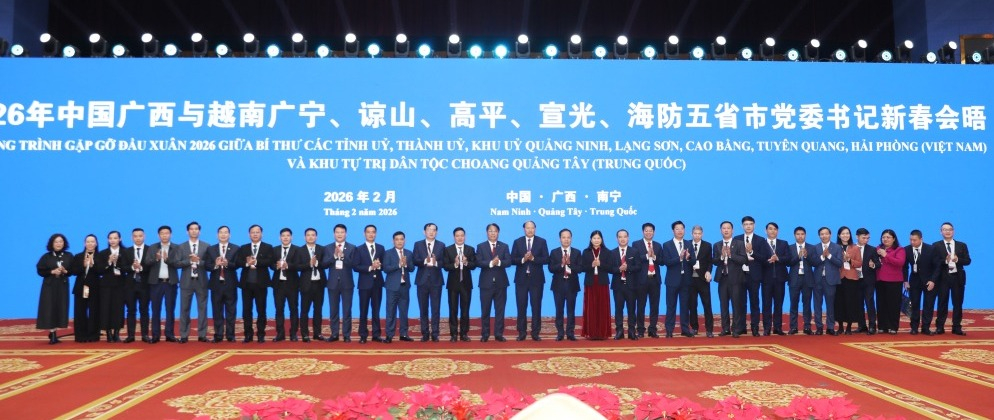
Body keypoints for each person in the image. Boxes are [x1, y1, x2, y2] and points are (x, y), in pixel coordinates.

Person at [234, 224, 274, 343]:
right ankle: (248, 334)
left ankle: (261, 334)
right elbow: (238, 262)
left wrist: (256, 262)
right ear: (249, 234)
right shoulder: (243, 248)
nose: (255, 234)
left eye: (257, 232)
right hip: (246, 284)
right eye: (253, 232)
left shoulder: (268, 247)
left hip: (261, 284)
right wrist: (247, 263)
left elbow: (269, 261)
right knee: (246, 310)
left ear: (262, 234)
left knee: (261, 310)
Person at [511, 220, 549, 341]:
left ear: (535, 229)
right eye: (528, 228)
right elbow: (512, 259)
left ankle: (535, 332)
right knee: (521, 306)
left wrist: (533, 258)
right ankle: (522, 332)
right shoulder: (517, 242)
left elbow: (546, 259)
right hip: (521, 280)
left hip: (536, 280)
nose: (530, 230)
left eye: (532, 228)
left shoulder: (542, 241)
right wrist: (523, 259)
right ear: (524, 229)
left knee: (536, 306)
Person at [932, 222, 970, 336]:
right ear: (941, 232)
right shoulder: (936, 245)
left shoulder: (962, 245)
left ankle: (957, 327)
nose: (947, 231)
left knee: (958, 303)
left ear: (953, 231)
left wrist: (957, 260)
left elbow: (968, 261)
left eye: (949, 229)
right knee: (942, 302)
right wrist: (945, 261)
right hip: (943, 278)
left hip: (957, 278)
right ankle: (940, 327)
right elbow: (934, 262)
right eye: (945, 229)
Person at [734, 216, 769, 337]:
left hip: (754, 275)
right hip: (740, 275)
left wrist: (752, 252)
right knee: (740, 302)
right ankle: (741, 327)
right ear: (742, 226)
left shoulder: (760, 240)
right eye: (746, 224)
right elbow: (734, 256)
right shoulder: (737, 239)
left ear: (754, 225)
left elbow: (764, 258)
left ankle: (755, 327)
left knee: (754, 302)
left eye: (750, 224)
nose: (748, 226)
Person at [477, 223, 511, 342]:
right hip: (485, 284)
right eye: (490, 231)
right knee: (485, 310)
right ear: (487, 233)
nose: (492, 233)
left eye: (495, 231)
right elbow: (478, 262)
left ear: (498, 233)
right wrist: (491, 263)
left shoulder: (504, 246)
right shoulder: (481, 246)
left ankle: (498, 334)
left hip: (501, 283)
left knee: (500, 310)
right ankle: (485, 334)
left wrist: (499, 262)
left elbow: (509, 261)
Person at [712, 221, 747, 338]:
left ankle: (736, 329)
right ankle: (725, 328)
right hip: (723, 278)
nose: (726, 230)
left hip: (736, 279)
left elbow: (743, 260)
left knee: (736, 304)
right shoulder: (717, 245)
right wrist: (722, 256)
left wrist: (731, 255)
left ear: (732, 230)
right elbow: (714, 261)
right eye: (724, 228)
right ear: (720, 230)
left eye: (728, 228)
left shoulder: (739, 243)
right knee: (723, 305)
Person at [177, 221, 210, 343]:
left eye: (196, 229)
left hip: (201, 281)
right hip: (186, 282)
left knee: (203, 308)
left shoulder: (206, 246)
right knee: (184, 309)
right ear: (187, 231)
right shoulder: (181, 247)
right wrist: (190, 261)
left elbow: (209, 264)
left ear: (199, 231)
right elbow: (177, 263)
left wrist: (198, 262)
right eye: (191, 229)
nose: (194, 231)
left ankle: (202, 334)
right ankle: (184, 335)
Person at [204, 226, 238, 342]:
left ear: (229, 235)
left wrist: (227, 263)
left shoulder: (235, 248)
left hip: (230, 284)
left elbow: (237, 264)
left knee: (231, 311)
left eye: (226, 232)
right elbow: (206, 266)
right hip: (216, 285)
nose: (223, 235)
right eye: (221, 233)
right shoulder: (211, 249)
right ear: (217, 235)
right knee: (217, 310)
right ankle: (218, 335)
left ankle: (230, 335)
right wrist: (216, 265)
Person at [323, 224, 356, 342]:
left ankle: (346, 335)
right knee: (333, 310)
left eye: (342, 232)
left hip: (347, 283)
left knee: (347, 310)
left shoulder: (352, 247)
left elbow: (354, 265)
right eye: (337, 232)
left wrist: (343, 256)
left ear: (346, 234)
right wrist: (334, 256)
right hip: (332, 283)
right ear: (334, 234)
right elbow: (324, 264)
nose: (340, 234)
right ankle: (334, 334)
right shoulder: (328, 248)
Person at [413, 223, 446, 342]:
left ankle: (435, 333)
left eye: (434, 230)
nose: (431, 232)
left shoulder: (441, 245)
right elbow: (414, 260)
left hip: (436, 281)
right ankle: (425, 333)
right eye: (429, 230)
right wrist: (424, 261)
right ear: (424, 232)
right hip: (422, 281)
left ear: (436, 232)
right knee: (423, 309)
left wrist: (436, 262)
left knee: (435, 308)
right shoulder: (418, 244)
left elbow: (444, 262)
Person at [37, 233, 72, 345]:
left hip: (62, 286)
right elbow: (40, 270)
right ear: (52, 243)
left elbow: (73, 270)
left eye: (61, 241)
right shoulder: (46, 257)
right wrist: (51, 271)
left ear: (64, 243)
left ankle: (55, 331)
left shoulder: (68, 256)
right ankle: (52, 333)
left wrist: (65, 271)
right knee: (49, 308)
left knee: (60, 307)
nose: (58, 244)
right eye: (56, 242)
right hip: (49, 286)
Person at [662, 221, 695, 338]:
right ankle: (669, 330)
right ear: (673, 231)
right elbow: (666, 262)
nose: (680, 231)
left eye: (682, 228)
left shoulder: (689, 244)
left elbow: (694, 261)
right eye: (677, 229)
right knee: (671, 306)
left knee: (685, 306)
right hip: (672, 280)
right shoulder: (667, 245)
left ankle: (685, 329)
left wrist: (688, 258)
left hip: (686, 280)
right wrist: (679, 258)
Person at [443, 227, 476, 342]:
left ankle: (464, 333)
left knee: (465, 309)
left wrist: (466, 262)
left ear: (465, 237)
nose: (460, 238)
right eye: (457, 236)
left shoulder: (470, 249)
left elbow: (474, 265)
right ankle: (453, 334)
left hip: (466, 284)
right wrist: (455, 264)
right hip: (453, 284)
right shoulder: (448, 250)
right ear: (454, 237)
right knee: (453, 309)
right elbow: (445, 266)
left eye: (462, 235)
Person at [354, 224, 386, 344]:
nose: (371, 234)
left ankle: (376, 335)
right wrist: (370, 267)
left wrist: (379, 266)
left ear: (376, 234)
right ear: (364, 234)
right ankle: (363, 335)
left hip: (377, 283)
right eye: (368, 232)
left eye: (373, 232)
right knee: (363, 310)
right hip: (364, 284)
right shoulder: (359, 249)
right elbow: (356, 266)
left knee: (376, 310)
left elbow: (384, 265)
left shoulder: (381, 248)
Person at [148, 226, 180, 343]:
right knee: (155, 309)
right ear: (158, 235)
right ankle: (155, 335)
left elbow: (178, 264)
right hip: (156, 283)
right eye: (162, 233)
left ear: (170, 234)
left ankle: (169, 334)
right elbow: (147, 262)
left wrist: (167, 260)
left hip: (170, 283)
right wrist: (156, 259)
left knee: (170, 309)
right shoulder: (153, 247)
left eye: (167, 233)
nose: (164, 235)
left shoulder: (176, 247)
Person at [549, 228, 582, 341]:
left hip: (572, 285)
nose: (566, 239)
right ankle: (560, 333)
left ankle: (570, 333)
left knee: (571, 310)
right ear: (560, 239)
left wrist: (570, 264)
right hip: (558, 286)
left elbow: (580, 268)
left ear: (571, 239)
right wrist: (562, 264)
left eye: (568, 237)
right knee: (559, 310)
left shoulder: (577, 252)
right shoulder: (554, 252)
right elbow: (551, 268)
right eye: (564, 237)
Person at [632, 223, 664, 338]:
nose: (648, 232)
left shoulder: (658, 245)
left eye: (651, 230)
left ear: (654, 232)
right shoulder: (636, 244)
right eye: (646, 230)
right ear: (643, 232)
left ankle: (652, 329)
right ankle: (640, 329)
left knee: (654, 306)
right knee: (641, 305)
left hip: (655, 279)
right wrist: (647, 256)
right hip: (641, 279)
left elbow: (662, 261)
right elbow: (635, 260)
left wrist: (654, 256)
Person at [581, 230, 614, 340]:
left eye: (598, 238)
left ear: (601, 239)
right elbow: (582, 268)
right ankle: (591, 332)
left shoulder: (607, 252)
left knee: (602, 308)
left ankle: (602, 333)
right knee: (591, 308)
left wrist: (600, 264)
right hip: (590, 283)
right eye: (594, 238)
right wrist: (591, 265)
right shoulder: (586, 252)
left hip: (602, 283)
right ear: (591, 240)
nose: (596, 240)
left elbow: (611, 268)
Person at [383, 231, 415, 343]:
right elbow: (386, 269)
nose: (399, 241)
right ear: (393, 241)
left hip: (404, 286)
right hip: (392, 287)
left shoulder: (409, 253)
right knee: (390, 311)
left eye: (401, 239)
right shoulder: (388, 253)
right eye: (397, 239)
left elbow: (412, 268)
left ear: (404, 241)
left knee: (404, 311)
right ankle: (389, 335)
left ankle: (404, 334)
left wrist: (406, 264)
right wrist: (398, 265)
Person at [271, 228, 302, 342]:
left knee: (293, 309)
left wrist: (287, 266)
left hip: (292, 284)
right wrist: (277, 266)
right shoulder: (274, 250)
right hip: (278, 284)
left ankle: (293, 333)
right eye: (283, 235)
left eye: (288, 235)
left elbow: (299, 265)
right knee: (279, 309)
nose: (285, 237)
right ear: (280, 237)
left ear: (291, 237)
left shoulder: (297, 249)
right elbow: (270, 265)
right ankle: (280, 333)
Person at [70, 234, 103, 343]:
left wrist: (93, 266)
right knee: (80, 312)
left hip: (95, 288)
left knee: (94, 311)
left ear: (96, 243)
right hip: (81, 287)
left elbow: (102, 271)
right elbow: (73, 271)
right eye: (88, 241)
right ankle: (81, 336)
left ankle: (94, 335)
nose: (90, 244)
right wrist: (83, 266)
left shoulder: (100, 256)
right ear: (84, 243)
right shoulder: (78, 256)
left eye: (92, 241)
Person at [298, 228, 328, 343]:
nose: (310, 237)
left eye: (313, 235)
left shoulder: (322, 249)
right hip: (306, 284)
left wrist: (317, 263)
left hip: (319, 284)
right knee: (304, 310)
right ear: (305, 237)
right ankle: (305, 334)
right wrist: (309, 264)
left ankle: (317, 333)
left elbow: (325, 264)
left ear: (316, 237)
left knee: (318, 310)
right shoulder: (300, 250)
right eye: (308, 235)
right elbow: (297, 266)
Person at [904, 230, 936, 335]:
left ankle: (926, 327)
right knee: (914, 305)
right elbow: (904, 267)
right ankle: (914, 327)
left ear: (921, 239)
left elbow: (937, 266)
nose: (912, 242)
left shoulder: (931, 249)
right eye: (910, 240)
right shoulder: (907, 249)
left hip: (928, 281)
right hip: (914, 281)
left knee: (928, 305)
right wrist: (905, 281)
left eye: (915, 240)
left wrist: (933, 280)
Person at [122, 228, 152, 343]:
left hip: (145, 285)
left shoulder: (150, 250)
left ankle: (145, 335)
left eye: (140, 236)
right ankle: (130, 335)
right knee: (130, 310)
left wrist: (141, 267)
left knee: (144, 310)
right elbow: (123, 267)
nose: (138, 238)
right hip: (130, 285)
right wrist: (132, 267)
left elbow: (152, 266)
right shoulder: (127, 251)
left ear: (144, 236)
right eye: (135, 236)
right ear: (132, 238)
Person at [812, 227, 843, 335]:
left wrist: (829, 256)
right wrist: (822, 257)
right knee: (817, 304)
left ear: (830, 235)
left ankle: (830, 327)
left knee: (830, 304)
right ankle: (819, 327)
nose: (824, 236)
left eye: (826, 234)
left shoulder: (837, 247)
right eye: (822, 234)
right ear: (819, 236)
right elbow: (813, 263)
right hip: (817, 279)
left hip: (831, 280)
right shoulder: (815, 247)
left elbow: (840, 263)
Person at [761, 222, 790, 336]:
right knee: (766, 304)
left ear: (777, 231)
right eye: (770, 229)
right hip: (766, 278)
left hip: (780, 279)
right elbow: (759, 259)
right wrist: (768, 260)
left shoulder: (783, 243)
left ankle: (778, 327)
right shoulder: (761, 243)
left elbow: (788, 258)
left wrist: (778, 258)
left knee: (779, 304)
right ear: (766, 231)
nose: (772, 231)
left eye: (775, 229)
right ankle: (767, 328)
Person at [611, 229, 641, 340]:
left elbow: (638, 267)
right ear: (616, 239)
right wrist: (619, 269)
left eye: (624, 236)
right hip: (618, 286)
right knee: (618, 309)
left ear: (628, 238)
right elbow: (610, 268)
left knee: (631, 309)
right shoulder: (612, 252)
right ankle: (619, 331)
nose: (622, 239)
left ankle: (631, 331)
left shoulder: (634, 251)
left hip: (631, 285)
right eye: (620, 237)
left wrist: (628, 268)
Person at [875, 229, 906, 334]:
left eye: (888, 237)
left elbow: (900, 263)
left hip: (894, 281)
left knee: (893, 304)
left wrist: (886, 255)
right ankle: (882, 326)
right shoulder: (878, 249)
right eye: (883, 237)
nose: (885, 239)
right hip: (880, 280)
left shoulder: (899, 249)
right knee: (881, 304)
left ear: (894, 239)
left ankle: (893, 327)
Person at [787, 227, 817, 335]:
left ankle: (807, 327)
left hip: (807, 279)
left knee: (807, 304)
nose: (800, 236)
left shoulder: (811, 248)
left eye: (802, 234)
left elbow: (815, 263)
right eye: (798, 234)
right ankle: (793, 327)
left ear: (805, 235)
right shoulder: (790, 248)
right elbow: (788, 263)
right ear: (794, 235)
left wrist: (806, 256)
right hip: (794, 279)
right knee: (793, 303)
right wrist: (798, 257)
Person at [834, 227, 863, 335]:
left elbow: (859, 263)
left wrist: (849, 260)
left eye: (847, 233)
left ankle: (849, 327)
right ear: (839, 235)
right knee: (839, 302)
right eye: (843, 233)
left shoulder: (855, 248)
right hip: (839, 278)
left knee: (850, 302)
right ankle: (840, 327)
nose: (845, 235)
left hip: (851, 278)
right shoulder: (835, 247)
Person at [99, 231, 127, 342]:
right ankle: (108, 333)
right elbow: (99, 270)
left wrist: (117, 264)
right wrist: (109, 262)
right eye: (110, 238)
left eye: (115, 238)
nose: (113, 240)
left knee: (118, 309)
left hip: (120, 284)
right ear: (108, 240)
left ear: (120, 239)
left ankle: (116, 333)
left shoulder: (125, 252)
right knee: (106, 308)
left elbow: (127, 268)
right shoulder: (103, 253)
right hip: (106, 285)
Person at [687, 226, 713, 338]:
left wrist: (708, 271)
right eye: (695, 233)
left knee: (707, 305)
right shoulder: (687, 244)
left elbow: (710, 262)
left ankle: (709, 329)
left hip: (703, 279)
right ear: (691, 234)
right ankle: (694, 327)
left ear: (702, 234)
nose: (697, 235)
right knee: (692, 305)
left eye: (699, 233)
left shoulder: (707, 245)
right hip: (690, 279)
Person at [855, 228, 880, 335]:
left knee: (869, 302)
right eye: (863, 238)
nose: (866, 240)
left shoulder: (872, 249)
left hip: (868, 280)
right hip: (855, 280)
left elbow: (878, 264)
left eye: (868, 238)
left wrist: (873, 265)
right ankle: (861, 326)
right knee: (858, 303)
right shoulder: (852, 248)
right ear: (857, 237)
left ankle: (872, 326)